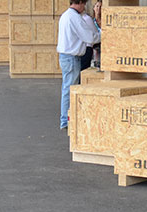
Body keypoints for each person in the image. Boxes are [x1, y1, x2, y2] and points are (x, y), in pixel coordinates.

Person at [57, 0, 100, 130]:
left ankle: (65, 119)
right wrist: (104, 34)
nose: (86, 7)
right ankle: (65, 120)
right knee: (70, 88)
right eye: (85, 4)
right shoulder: (75, 18)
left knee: (67, 87)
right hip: (71, 58)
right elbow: (89, 37)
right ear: (80, 3)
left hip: (66, 56)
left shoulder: (66, 15)